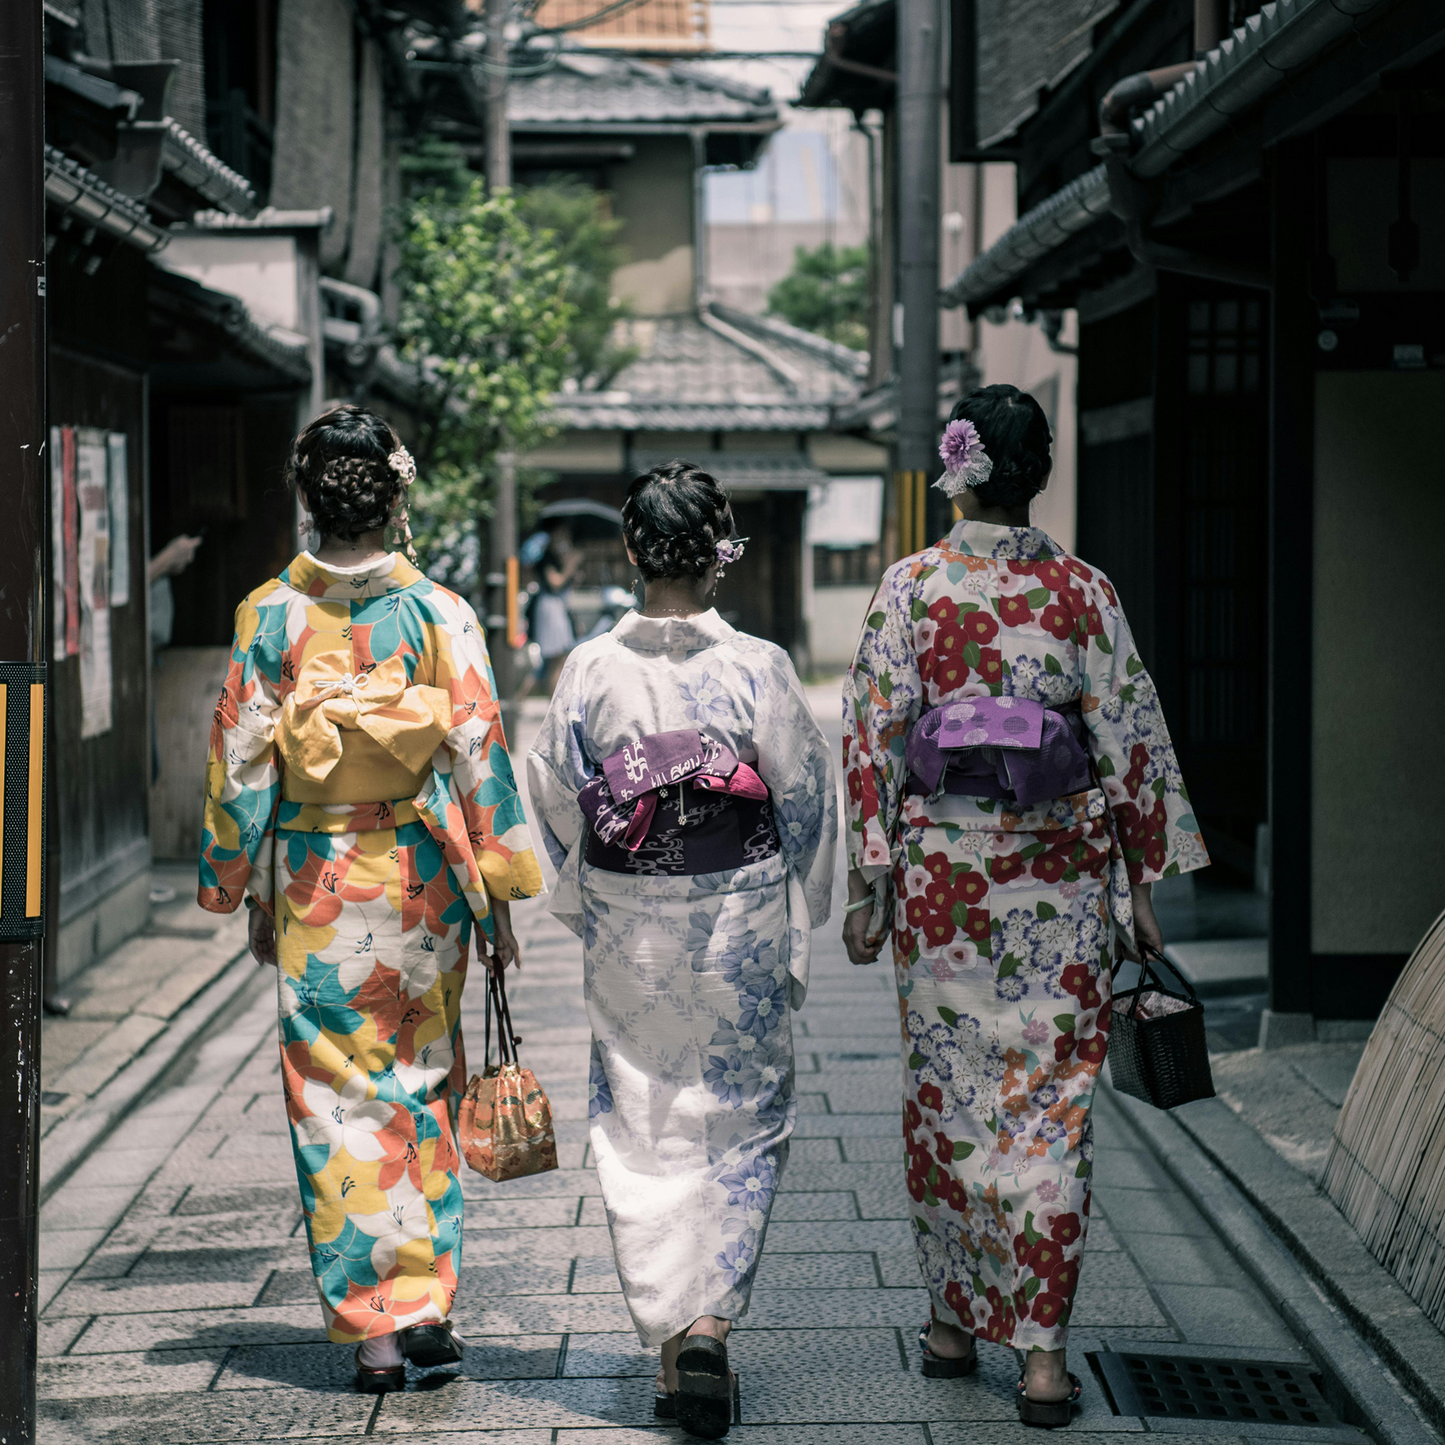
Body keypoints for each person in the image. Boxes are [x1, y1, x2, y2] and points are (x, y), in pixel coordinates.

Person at [841, 386, 1208, 1427]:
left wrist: (870, 886)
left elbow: (872, 741)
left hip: (943, 889)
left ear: (953, 470)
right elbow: (1129, 739)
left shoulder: (910, 587)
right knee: (1048, 1112)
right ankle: (1041, 1354)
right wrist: (1141, 885)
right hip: (1057, 886)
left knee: (949, 1099)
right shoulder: (1081, 592)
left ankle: (953, 1321)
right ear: (1036, 472)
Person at [197, 404, 544, 1394]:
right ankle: (427, 1299)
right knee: (421, 1077)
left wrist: (237, 879)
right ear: (395, 497)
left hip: (316, 873)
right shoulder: (439, 611)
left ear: (308, 500)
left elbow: (239, 763)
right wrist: (503, 888)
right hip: (422, 872)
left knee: (335, 1099)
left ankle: (376, 1333)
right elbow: (480, 749)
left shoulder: (272, 614)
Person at [526, 461, 837, 1441]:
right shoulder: (759, 666)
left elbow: (550, 792)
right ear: (718, 554)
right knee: (738, 1120)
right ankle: (708, 1323)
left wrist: (585, 888)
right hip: (736, 907)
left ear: (629, 553)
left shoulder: (587, 669)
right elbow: (801, 796)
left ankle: (672, 1346)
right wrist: (810, 897)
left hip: (628, 909)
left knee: (640, 1117)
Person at [514, 522, 581, 701]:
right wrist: (571, 565)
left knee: (559, 659)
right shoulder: (547, 557)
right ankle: (549, 700)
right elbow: (555, 582)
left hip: (557, 606)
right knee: (554, 659)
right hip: (549, 608)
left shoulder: (556, 556)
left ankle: (528, 697)